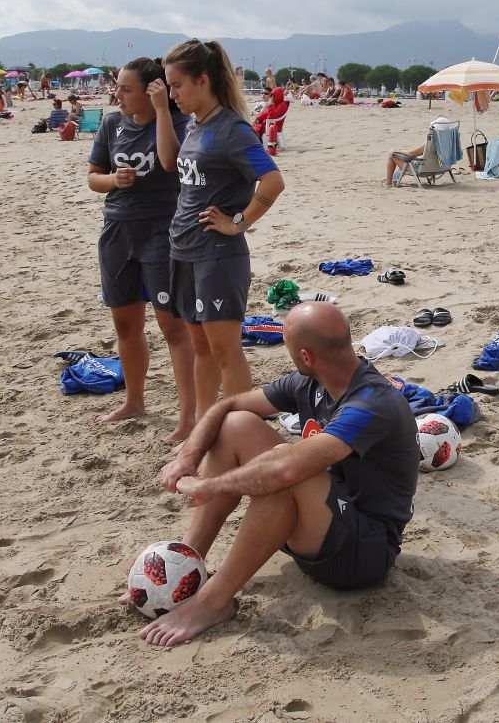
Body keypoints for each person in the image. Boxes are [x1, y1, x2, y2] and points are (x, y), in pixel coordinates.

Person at [126, 302, 419, 647]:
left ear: (306, 356)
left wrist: (209, 485)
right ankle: (184, 566)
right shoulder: (311, 381)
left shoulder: (372, 403)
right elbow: (226, 407)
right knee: (236, 425)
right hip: (323, 521)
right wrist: (187, 458)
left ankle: (213, 602)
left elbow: (287, 469)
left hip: (364, 554)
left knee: (285, 470)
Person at [156, 38, 285, 437]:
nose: (173, 93)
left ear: (203, 80)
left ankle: (239, 437)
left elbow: (273, 180)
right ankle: (201, 426)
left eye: (177, 85)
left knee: (226, 351)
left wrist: (239, 222)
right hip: (186, 250)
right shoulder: (198, 126)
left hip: (218, 254)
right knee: (201, 348)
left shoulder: (231, 128)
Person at [86, 58, 199, 428]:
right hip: (117, 233)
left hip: (161, 233)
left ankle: (187, 416)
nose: (117, 94)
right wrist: (114, 181)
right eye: (118, 86)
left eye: (126, 89)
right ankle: (134, 401)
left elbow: (170, 164)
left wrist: (162, 110)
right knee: (126, 327)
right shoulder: (111, 123)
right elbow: (93, 178)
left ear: (153, 90)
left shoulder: (179, 120)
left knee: (173, 328)